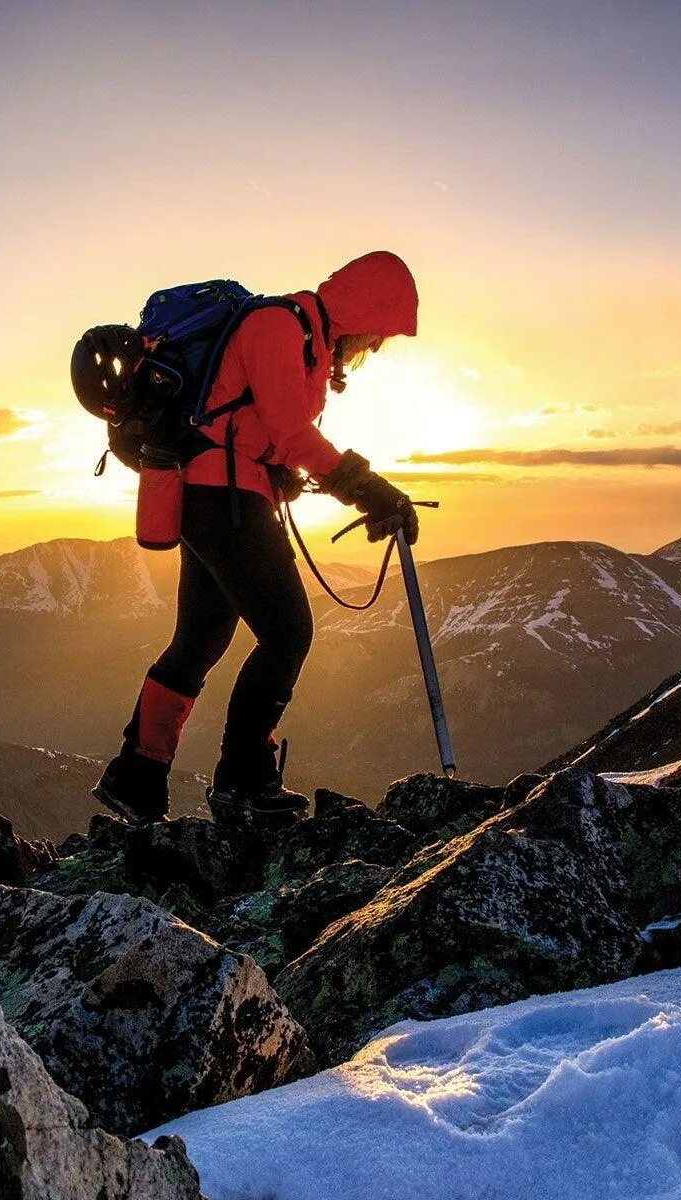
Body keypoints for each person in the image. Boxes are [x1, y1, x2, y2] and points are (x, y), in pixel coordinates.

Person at [93, 250, 421, 826]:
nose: (374, 347)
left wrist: (278, 473)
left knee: (200, 640)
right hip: (221, 500)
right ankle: (243, 782)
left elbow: (256, 427)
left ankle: (136, 779)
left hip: (212, 494)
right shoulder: (277, 325)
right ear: (365, 311)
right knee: (287, 632)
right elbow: (292, 432)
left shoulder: (308, 342)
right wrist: (370, 491)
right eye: (379, 334)